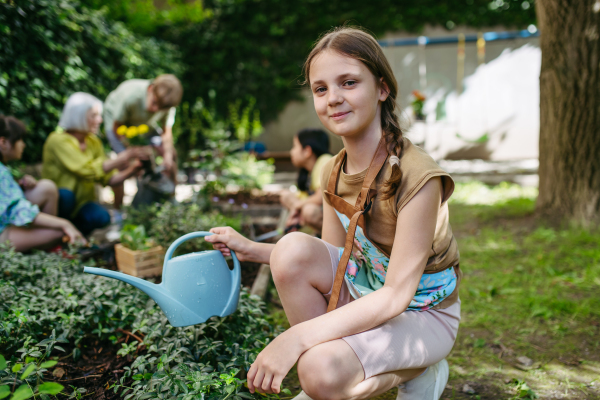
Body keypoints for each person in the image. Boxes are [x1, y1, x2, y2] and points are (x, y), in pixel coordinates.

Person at [205, 27, 461, 400]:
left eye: (349, 82)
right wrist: (251, 250)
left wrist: (297, 338)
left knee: (317, 371)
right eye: (321, 89)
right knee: (293, 249)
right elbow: (336, 262)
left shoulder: (418, 176)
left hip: (423, 314)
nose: (333, 99)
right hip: (365, 292)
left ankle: (419, 369)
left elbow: (395, 297)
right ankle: (337, 374)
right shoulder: (333, 171)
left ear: (382, 88)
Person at [42, 93, 149, 235]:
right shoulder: (57, 141)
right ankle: (56, 235)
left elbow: (109, 178)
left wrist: (135, 167)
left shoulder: (93, 141)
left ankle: (76, 236)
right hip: (60, 204)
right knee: (66, 196)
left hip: (81, 206)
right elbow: (86, 169)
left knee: (102, 217)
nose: (99, 120)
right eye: (94, 115)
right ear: (77, 116)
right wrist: (124, 157)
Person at [0, 115, 85, 251]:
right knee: (58, 232)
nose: (23, 144)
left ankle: (43, 244)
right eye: (19, 139)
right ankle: (45, 249)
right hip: (2, 232)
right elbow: (18, 210)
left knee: (47, 188)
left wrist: (18, 184)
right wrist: (64, 223)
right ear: (3, 143)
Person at [103, 74, 183, 209]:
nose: (155, 110)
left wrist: (167, 156)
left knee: (171, 155)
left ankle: (171, 199)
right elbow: (117, 128)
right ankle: (118, 212)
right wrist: (132, 152)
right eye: (154, 103)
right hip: (117, 125)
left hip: (144, 126)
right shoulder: (132, 97)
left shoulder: (167, 103)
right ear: (151, 89)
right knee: (124, 164)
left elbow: (166, 133)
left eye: (161, 108)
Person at [280, 128, 332, 232]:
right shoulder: (308, 171)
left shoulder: (325, 161)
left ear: (307, 151)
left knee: (310, 211)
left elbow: (320, 198)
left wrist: (296, 207)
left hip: (332, 214)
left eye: (295, 146)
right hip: (319, 210)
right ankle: (301, 225)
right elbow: (303, 196)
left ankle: (330, 237)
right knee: (285, 195)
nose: (291, 152)